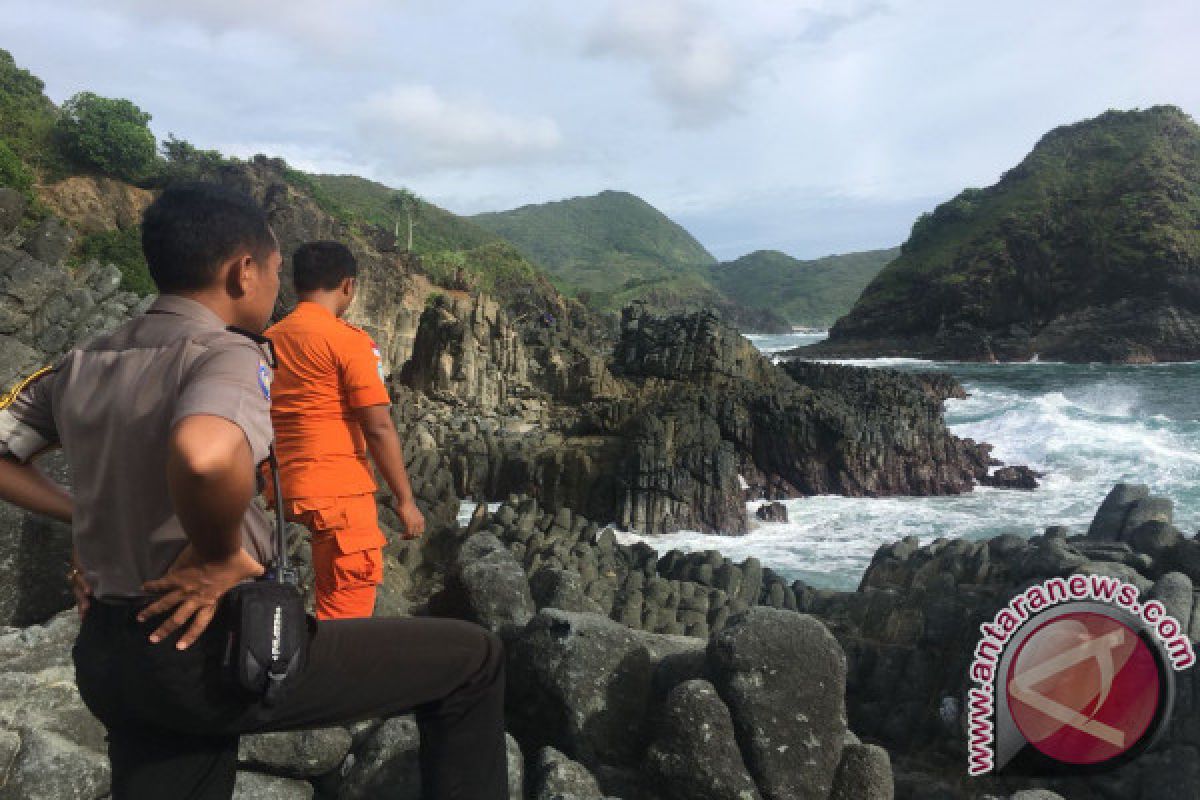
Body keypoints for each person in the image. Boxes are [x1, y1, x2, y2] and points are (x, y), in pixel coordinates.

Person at [0, 182, 507, 799]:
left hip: (112, 654)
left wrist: (90, 516)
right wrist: (216, 556)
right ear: (243, 272)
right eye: (272, 270)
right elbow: (205, 454)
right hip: (213, 649)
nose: (276, 288)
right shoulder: (225, 354)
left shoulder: (85, 358)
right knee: (472, 660)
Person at [265, 241, 425, 619]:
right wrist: (405, 500)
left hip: (281, 489)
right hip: (338, 493)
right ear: (348, 286)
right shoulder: (348, 341)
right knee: (344, 618)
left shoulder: (269, 339)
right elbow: (379, 425)